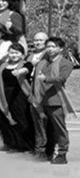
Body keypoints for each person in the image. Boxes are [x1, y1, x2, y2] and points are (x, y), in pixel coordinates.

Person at [29, 36, 72, 164]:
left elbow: (61, 78)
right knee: (40, 128)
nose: (50, 49)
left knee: (59, 128)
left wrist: (46, 78)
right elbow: (34, 80)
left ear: (61, 48)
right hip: (39, 98)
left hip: (55, 99)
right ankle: (41, 152)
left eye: (53, 47)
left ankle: (62, 153)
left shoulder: (65, 63)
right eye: (48, 46)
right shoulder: (41, 62)